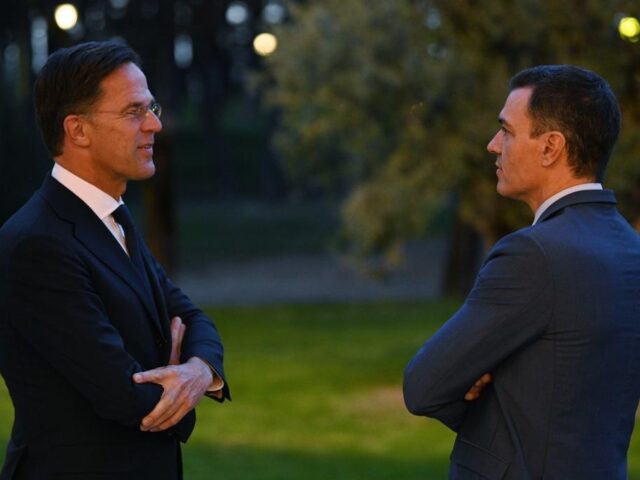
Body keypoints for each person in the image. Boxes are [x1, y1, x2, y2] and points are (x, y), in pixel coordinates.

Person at [0, 41, 230, 479]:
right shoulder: (36, 244)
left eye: (151, 108)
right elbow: (127, 397)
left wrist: (197, 370)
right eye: (133, 112)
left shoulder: (111, 217)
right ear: (78, 130)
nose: (155, 124)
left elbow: (192, 317)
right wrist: (180, 382)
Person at [403, 65, 640, 479]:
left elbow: (424, 386)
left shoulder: (533, 255)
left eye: (507, 131)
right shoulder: (630, 249)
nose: (493, 145)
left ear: (551, 147)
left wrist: (480, 389)